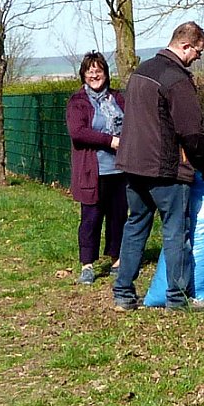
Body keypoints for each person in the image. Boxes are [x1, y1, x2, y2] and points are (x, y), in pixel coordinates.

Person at [112, 21, 204, 313]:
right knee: (175, 232)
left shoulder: (142, 71)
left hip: (133, 165)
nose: (197, 57)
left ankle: (123, 294)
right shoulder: (176, 79)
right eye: (197, 51)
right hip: (167, 169)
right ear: (185, 46)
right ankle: (177, 298)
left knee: (136, 226)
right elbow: (191, 132)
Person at [66, 52, 127, 285]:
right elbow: (78, 132)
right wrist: (109, 140)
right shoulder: (78, 102)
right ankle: (88, 264)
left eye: (98, 70)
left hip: (119, 169)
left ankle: (116, 259)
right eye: (90, 71)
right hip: (93, 170)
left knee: (118, 216)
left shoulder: (118, 99)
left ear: (105, 74)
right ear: (83, 75)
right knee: (91, 218)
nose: (94, 75)